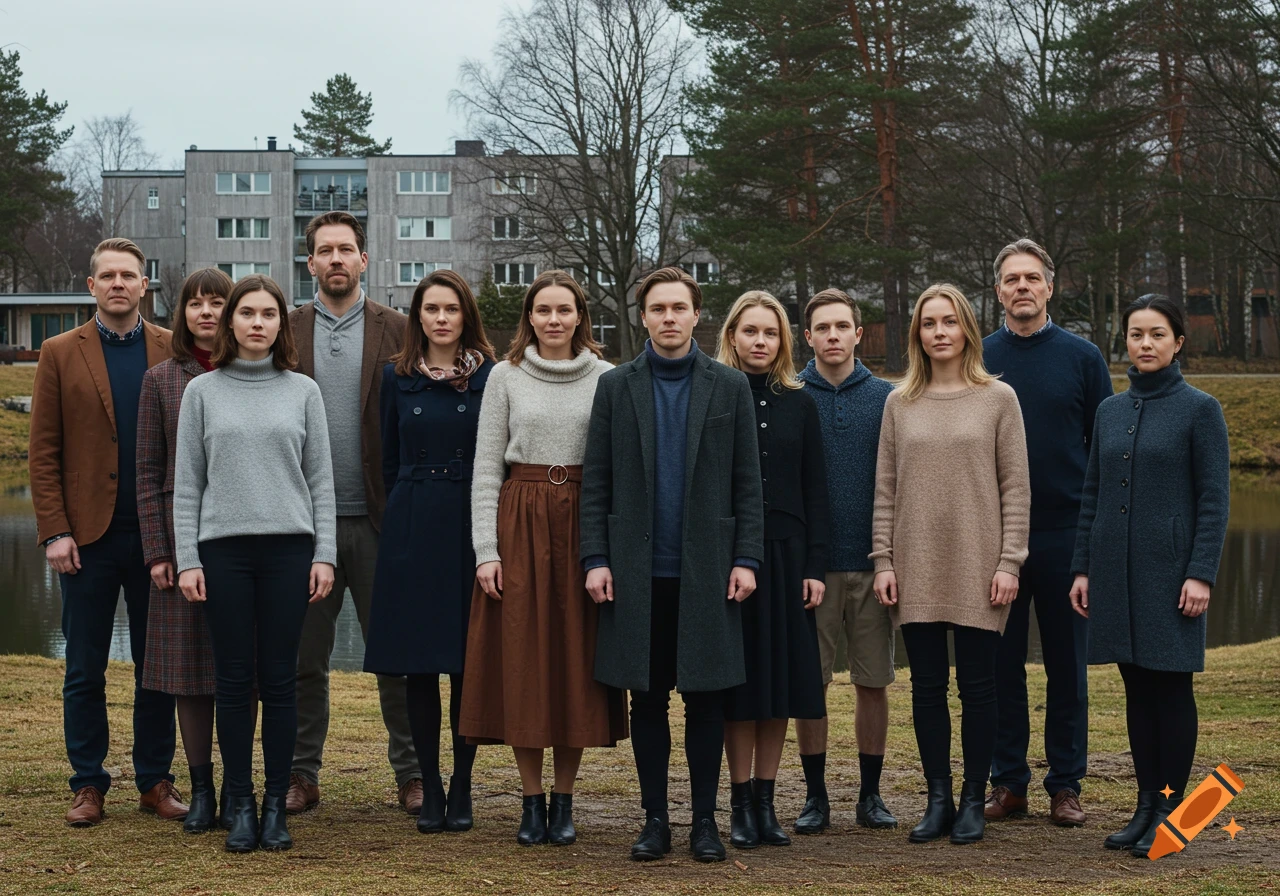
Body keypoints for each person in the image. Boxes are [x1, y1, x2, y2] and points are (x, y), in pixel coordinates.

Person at [581, 265, 765, 863]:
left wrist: (747, 557)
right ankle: (655, 819)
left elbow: (747, 482)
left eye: (678, 308)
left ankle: (705, 822)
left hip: (708, 568)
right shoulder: (615, 386)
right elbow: (597, 481)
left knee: (706, 698)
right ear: (643, 317)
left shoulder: (728, 386)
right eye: (657, 309)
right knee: (649, 699)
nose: (668, 318)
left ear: (696, 314)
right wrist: (596, 557)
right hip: (637, 570)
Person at [460, 270, 627, 847]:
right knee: (525, 662)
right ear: (528, 317)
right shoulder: (504, 377)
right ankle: (530, 800)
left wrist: (608, 550)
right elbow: (487, 468)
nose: (554, 320)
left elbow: (615, 469)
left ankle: (564, 799)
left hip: (584, 521)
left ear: (580, 316)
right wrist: (487, 551)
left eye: (564, 310)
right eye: (543, 310)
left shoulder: (607, 378)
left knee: (574, 662)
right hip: (521, 520)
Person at [174, 274, 337, 852]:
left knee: (281, 679)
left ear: (280, 324)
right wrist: (187, 558)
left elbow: (321, 481)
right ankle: (239, 803)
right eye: (247, 313)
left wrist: (324, 554)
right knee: (233, 679)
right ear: (231, 322)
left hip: (289, 551)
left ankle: (274, 807)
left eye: (269, 314)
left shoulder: (303, 391)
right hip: (224, 552)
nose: (258, 323)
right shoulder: (202, 392)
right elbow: (188, 484)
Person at [29, 237, 185, 827]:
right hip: (85, 540)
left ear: (145, 285)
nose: (118, 284)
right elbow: (43, 452)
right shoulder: (59, 352)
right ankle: (88, 783)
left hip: (156, 540)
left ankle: (155, 780)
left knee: (157, 668)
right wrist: (54, 531)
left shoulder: (173, 349)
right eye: (108, 276)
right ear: (91, 285)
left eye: (129, 275)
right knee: (84, 668)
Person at [1069, 294, 1229, 858]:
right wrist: (1083, 568)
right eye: (1136, 334)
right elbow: (1091, 494)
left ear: (1178, 342)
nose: (1145, 343)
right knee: (1136, 688)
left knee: (1171, 688)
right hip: (1115, 573)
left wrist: (1201, 573)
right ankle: (1144, 805)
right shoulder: (1110, 411)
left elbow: (1214, 500)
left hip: (1173, 575)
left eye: (1157, 334)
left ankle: (1172, 811)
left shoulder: (1200, 409)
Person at [870, 283, 1030, 846]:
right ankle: (936, 798)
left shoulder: (998, 399)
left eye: (950, 321)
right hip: (914, 562)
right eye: (929, 323)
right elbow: (884, 490)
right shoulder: (899, 403)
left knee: (979, 688)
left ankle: (972, 801)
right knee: (927, 687)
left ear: (967, 329)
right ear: (917, 333)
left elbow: (1016, 489)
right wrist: (883, 561)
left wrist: (1010, 562)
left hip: (979, 564)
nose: (940, 332)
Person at [286, 212, 420, 816]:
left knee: (397, 658)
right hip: (304, 524)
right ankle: (300, 774)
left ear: (364, 260)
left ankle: (413, 775)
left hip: (379, 521)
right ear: (310, 262)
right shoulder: (286, 330)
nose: (336, 259)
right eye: (325, 251)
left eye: (346, 250)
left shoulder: (401, 331)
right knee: (303, 661)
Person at [983, 239, 1111, 828]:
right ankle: (1008, 782)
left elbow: (1104, 452)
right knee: (1000, 667)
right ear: (998, 290)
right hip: (995, 538)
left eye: (1032, 278)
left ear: (1050, 287)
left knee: (1068, 669)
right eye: (1012, 279)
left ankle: (1066, 785)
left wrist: (1092, 543)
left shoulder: (1083, 358)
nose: (1022, 287)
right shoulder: (980, 358)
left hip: (1066, 533)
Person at [363, 270, 497, 835]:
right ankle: (431, 787)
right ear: (417, 316)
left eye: (452, 309)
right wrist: (402, 515)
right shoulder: (395, 377)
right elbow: (388, 461)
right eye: (431, 309)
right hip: (412, 522)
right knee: (419, 664)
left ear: (466, 315)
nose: (442, 318)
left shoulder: (491, 376)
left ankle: (463, 783)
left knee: (466, 661)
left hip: (470, 522)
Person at [717, 291, 829, 850]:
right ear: (732, 336)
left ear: (783, 341)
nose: (760, 341)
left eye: (770, 333)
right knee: (741, 685)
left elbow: (816, 489)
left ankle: (766, 800)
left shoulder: (799, 403)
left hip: (788, 556)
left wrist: (815, 566)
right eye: (750, 331)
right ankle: (739, 802)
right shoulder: (716, 397)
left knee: (780, 684)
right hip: (731, 558)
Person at [138, 267, 246, 834]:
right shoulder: (161, 380)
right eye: (195, 303)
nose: (206, 312)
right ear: (180, 313)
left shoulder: (251, 372)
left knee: (239, 670)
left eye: (217, 302)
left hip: (243, 536)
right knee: (188, 671)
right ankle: (201, 789)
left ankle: (237, 788)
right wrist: (160, 550)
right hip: (181, 540)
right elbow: (147, 471)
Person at [795, 289, 898, 833]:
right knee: (810, 684)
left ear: (859, 334)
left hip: (872, 562)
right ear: (807, 336)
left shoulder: (888, 399)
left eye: (842, 326)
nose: (832, 336)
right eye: (822, 327)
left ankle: (870, 794)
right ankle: (815, 796)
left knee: (873, 681)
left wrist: (890, 558)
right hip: (810, 570)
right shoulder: (791, 395)